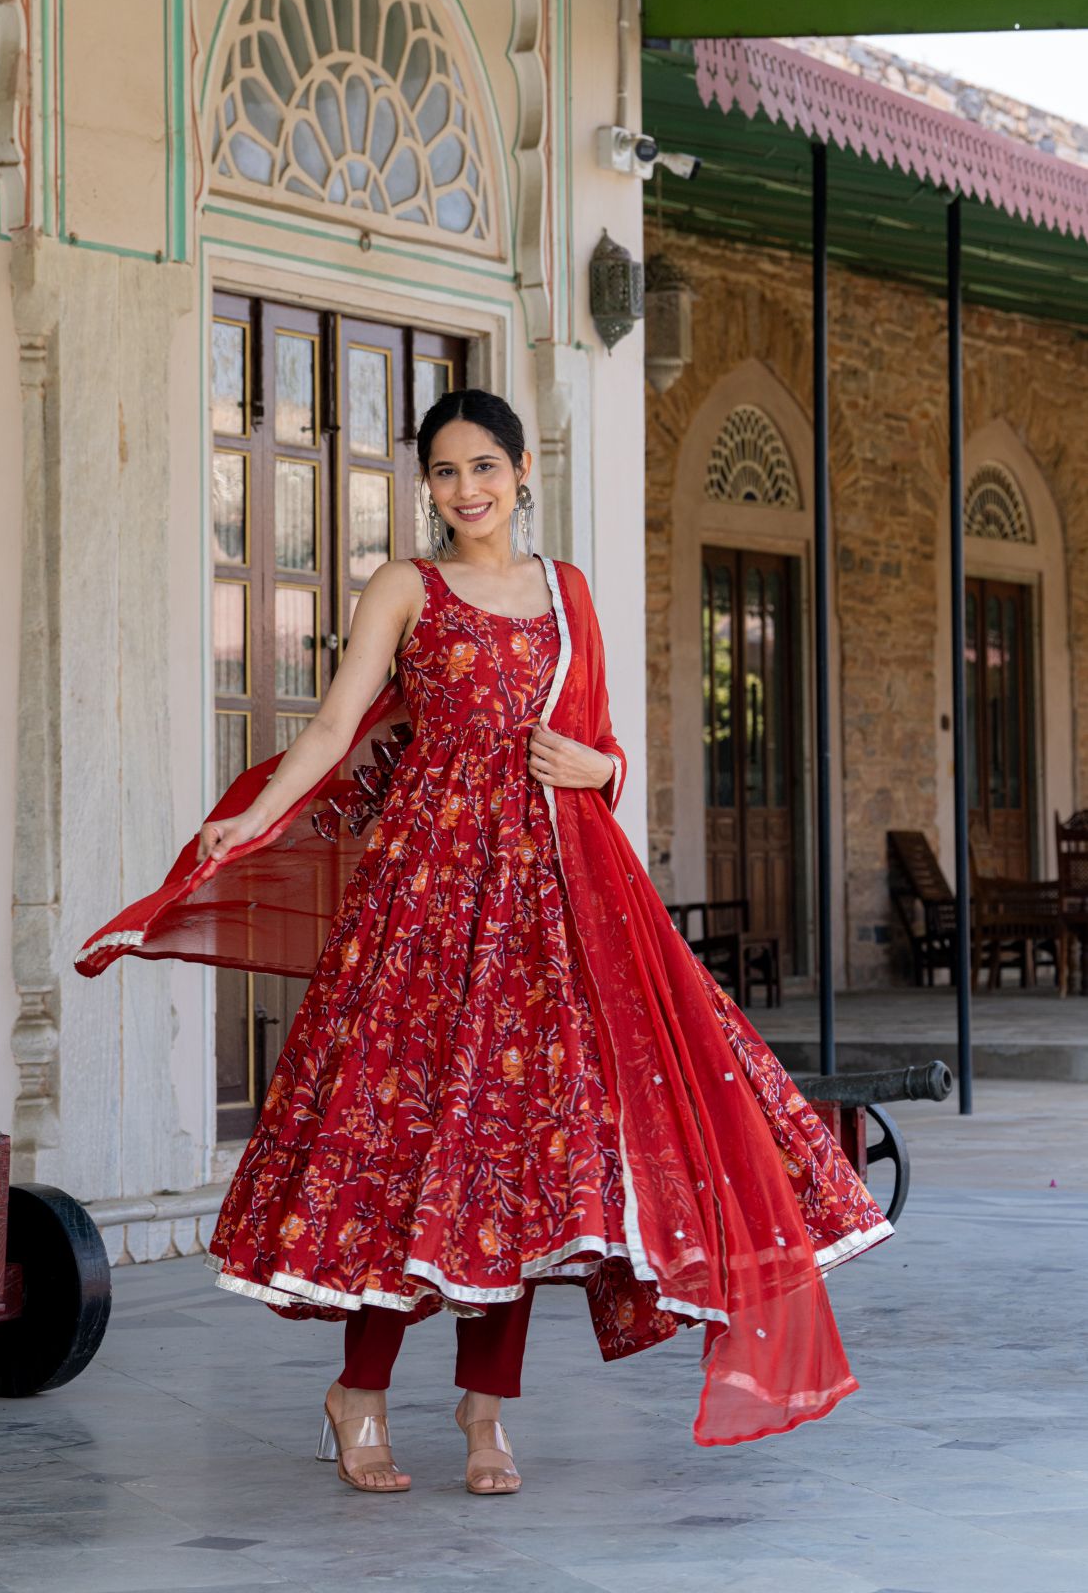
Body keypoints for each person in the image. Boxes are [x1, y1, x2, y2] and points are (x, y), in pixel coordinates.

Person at [78, 389, 891, 1496]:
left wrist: (600, 772)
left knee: (509, 1160)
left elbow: (602, 740)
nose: (466, 489)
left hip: (553, 905)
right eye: (445, 472)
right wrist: (255, 816)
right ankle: (358, 1391)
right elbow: (332, 725)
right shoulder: (405, 587)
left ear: (520, 473)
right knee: (401, 1144)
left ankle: (484, 1410)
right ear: (428, 487)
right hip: (423, 903)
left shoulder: (567, 592)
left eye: (483, 467)